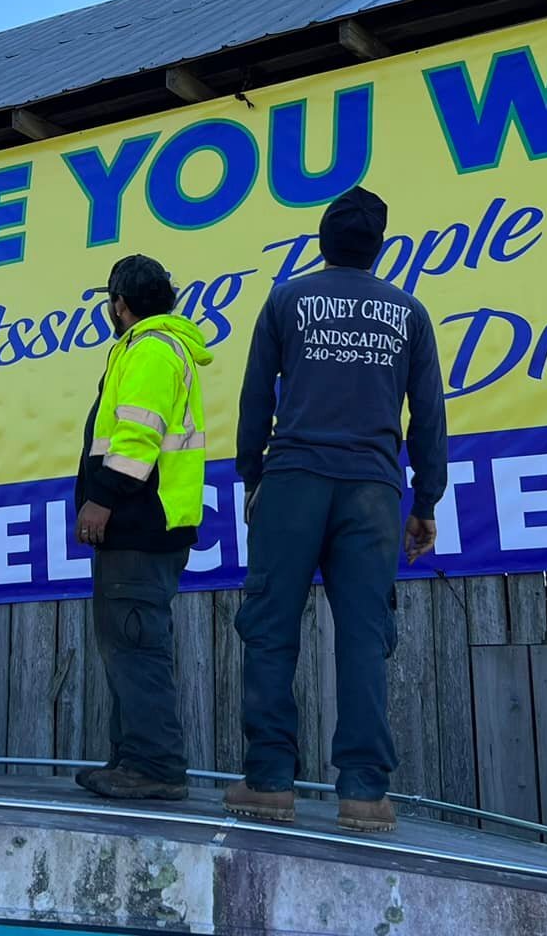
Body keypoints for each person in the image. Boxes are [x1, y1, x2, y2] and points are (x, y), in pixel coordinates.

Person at [225, 186, 447, 834]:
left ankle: (268, 781)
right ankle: (365, 793)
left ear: (322, 241)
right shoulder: (409, 312)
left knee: (269, 632)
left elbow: (253, 398)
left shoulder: (287, 299)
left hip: (292, 480)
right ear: (378, 249)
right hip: (374, 492)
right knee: (363, 638)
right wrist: (425, 500)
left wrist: (251, 477)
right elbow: (429, 414)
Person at [71, 254, 212, 801]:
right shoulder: (152, 346)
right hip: (147, 523)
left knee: (135, 646)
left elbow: (136, 438)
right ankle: (132, 759)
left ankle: (153, 765)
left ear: (120, 304)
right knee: (128, 643)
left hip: (138, 521)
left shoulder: (151, 349)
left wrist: (101, 499)